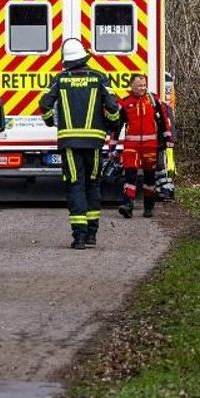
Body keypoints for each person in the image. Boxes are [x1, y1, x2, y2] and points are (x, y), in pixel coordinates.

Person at [39, 38, 121, 249]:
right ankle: (92, 234)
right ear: (84, 57)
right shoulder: (99, 78)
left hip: (69, 143)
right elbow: (113, 108)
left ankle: (79, 237)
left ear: (66, 61)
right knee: (92, 184)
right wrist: (113, 125)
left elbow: (45, 104)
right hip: (94, 143)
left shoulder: (60, 79)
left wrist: (50, 121)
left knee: (75, 185)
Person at [111, 74, 174, 219]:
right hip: (131, 145)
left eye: (144, 85)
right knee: (130, 173)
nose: (142, 88)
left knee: (149, 177)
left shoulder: (153, 100)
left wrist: (168, 137)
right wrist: (112, 147)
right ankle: (127, 205)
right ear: (131, 86)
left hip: (150, 145)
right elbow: (116, 127)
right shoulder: (125, 103)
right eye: (139, 85)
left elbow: (164, 120)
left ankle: (148, 207)